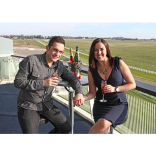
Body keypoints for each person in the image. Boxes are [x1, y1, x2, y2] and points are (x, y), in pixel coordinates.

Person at [14, 36, 84, 134]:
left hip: (46, 104)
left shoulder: (59, 66)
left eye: (60, 52)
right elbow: (18, 82)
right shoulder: (31, 61)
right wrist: (43, 83)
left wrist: (79, 92)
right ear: (47, 48)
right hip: (29, 105)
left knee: (66, 128)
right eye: (55, 50)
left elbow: (73, 78)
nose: (57, 54)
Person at [79, 38, 136, 134]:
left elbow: (132, 84)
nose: (99, 52)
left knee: (102, 125)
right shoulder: (92, 70)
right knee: (102, 132)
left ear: (106, 50)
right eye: (95, 50)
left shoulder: (118, 63)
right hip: (100, 105)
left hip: (118, 104)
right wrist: (83, 97)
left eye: (101, 49)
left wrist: (115, 88)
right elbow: (92, 93)